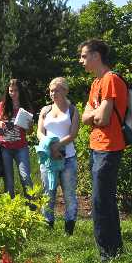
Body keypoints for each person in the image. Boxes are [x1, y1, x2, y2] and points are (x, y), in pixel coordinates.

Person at [79, 39, 128, 262]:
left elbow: (102, 117)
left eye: (83, 56)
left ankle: (107, 255)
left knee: (101, 202)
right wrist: (94, 114)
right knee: (103, 200)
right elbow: (85, 117)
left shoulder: (110, 80)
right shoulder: (96, 83)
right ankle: (114, 251)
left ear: (96, 56)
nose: (81, 61)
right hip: (96, 147)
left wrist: (95, 115)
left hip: (109, 148)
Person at [36, 77, 80, 235]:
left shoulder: (73, 110)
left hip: (67, 158)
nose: (53, 93)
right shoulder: (45, 110)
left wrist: (58, 146)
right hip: (48, 159)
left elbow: (73, 134)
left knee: (69, 195)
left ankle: (69, 230)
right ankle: (48, 228)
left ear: (65, 91)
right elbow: (39, 132)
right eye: (51, 90)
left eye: (57, 90)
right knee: (48, 194)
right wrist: (49, 146)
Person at [0, 79, 33, 199]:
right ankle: (10, 211)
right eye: (10, 91)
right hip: (5, 147)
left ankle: (32, 207)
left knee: (25, 177)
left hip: (21, 147)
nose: (12, 93)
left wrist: (29, 125)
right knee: (8, 180)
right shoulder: (2, 105)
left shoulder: (25, 107)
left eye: (15, 91)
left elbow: (30, 132)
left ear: (20, 91)